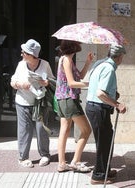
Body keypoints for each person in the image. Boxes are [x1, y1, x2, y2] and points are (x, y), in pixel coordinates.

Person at [86, 44, 127, 185]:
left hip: (94, 107)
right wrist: (117, 104)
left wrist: (113, 95)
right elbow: (100, 93)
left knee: (106, 141)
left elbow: (97, 87)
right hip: (98, 108)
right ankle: (98, 175)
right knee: (104, 143)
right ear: (119, 56)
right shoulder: (109, 69)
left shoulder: (100, 64)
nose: (122, 59)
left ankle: (105, 170)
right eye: (122, 56)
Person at [10, 39, 54, 168]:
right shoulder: (21, 65)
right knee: (24, 131)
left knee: (41, 130)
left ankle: (45, 154)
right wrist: (19, 85)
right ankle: (23, 158)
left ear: (32, 55)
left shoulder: (45, 64)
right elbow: (13, 81)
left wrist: (46, 82)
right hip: (22, 102)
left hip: (40, 102)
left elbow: (52, 80)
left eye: (24, 52)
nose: (21, 54)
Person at [55, 40, 93, 173]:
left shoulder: (66, 59)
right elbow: (71, 83)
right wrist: (90, 84)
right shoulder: (66, 60)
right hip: (69, 99)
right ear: (74, 47)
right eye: (78, 44)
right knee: (87, 130)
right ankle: (75, 161)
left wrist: (88, 62)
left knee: (64, 131)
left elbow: (79, 77)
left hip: (62, 99)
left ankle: (62, 163)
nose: (80, 45)